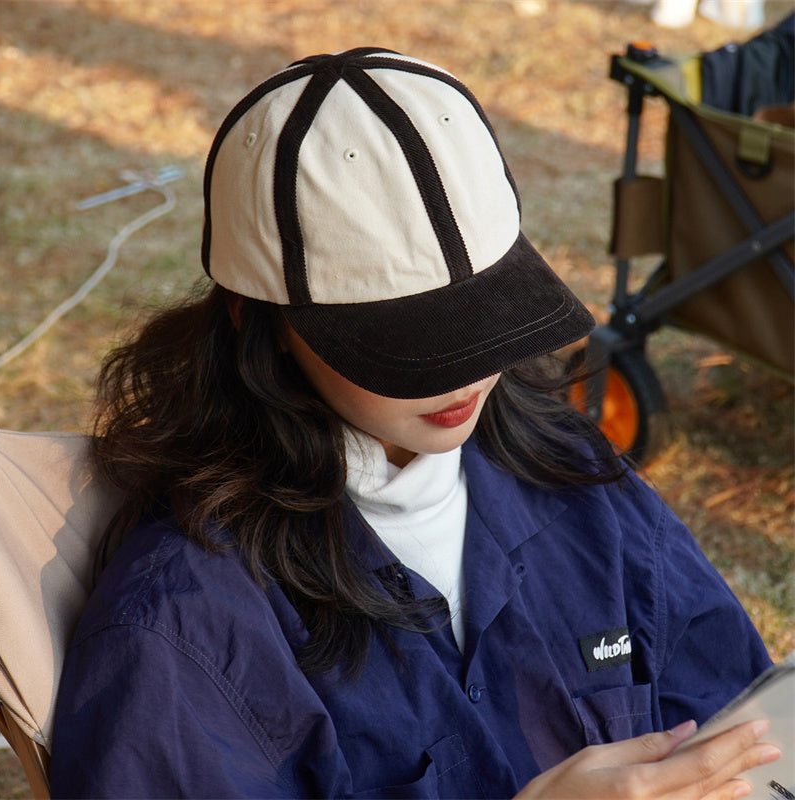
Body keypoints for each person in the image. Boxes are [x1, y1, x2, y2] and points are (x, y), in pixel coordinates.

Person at [49, 48, 779, 799]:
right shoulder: (185, 627)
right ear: (254, 320)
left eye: (487, 323)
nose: (464, 377)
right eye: (408, 345)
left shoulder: (570, 474)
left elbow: (744, 726)